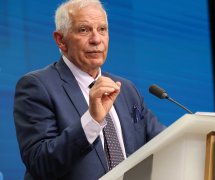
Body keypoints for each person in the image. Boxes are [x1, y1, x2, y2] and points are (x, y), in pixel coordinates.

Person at [13, 0, 166, 179]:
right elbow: (40, 164)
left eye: (102, 29)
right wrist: (92, 121)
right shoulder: (37, 86)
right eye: (84, 30)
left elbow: (164, 141)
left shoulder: (126, 89)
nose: (96, 39)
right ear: (60, 40)